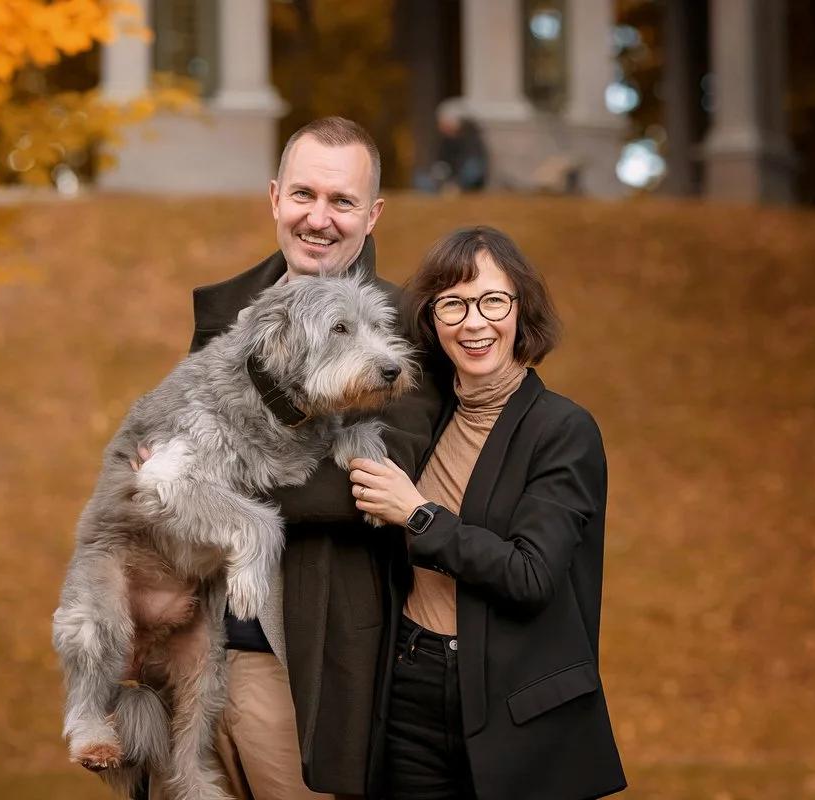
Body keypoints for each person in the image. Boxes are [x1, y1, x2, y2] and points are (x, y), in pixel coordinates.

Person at [132, 117, 440, 800]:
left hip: (298, 656)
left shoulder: (402, 325)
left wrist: (196, 474)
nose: (319, 219)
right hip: (189, 650)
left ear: (373, 214)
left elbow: (373, 477)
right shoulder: (229, 311)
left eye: (342, 201)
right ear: (275, 197)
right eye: (304, 195)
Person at [347, 226, 627, 800]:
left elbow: (530, 576)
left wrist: (419, 516)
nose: (474, 322)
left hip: (516, 703)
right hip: (411, 689)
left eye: (493, 300)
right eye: (452, 304)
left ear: (521, 310)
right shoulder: (421, 416)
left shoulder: (562, 430)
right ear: (432, 320)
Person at [414, 99, 489, 195]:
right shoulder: (444, 139)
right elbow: (440, 161)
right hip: (448, 176)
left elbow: (473, 168)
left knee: (472, 168)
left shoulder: (470, 138)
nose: (439, 126)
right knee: (421, 178)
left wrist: (457, 183)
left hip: (463, 177)